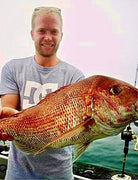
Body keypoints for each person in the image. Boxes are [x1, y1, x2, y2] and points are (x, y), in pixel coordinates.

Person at [0, 6, 84, 179]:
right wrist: (7, 123)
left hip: (59, 173)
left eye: (54, 31)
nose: (48, 37)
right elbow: (9, 114)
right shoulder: (12, 68)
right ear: (32, 34)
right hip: (18, 173)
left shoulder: (75, 76)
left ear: (61, 35)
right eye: (42, 31)